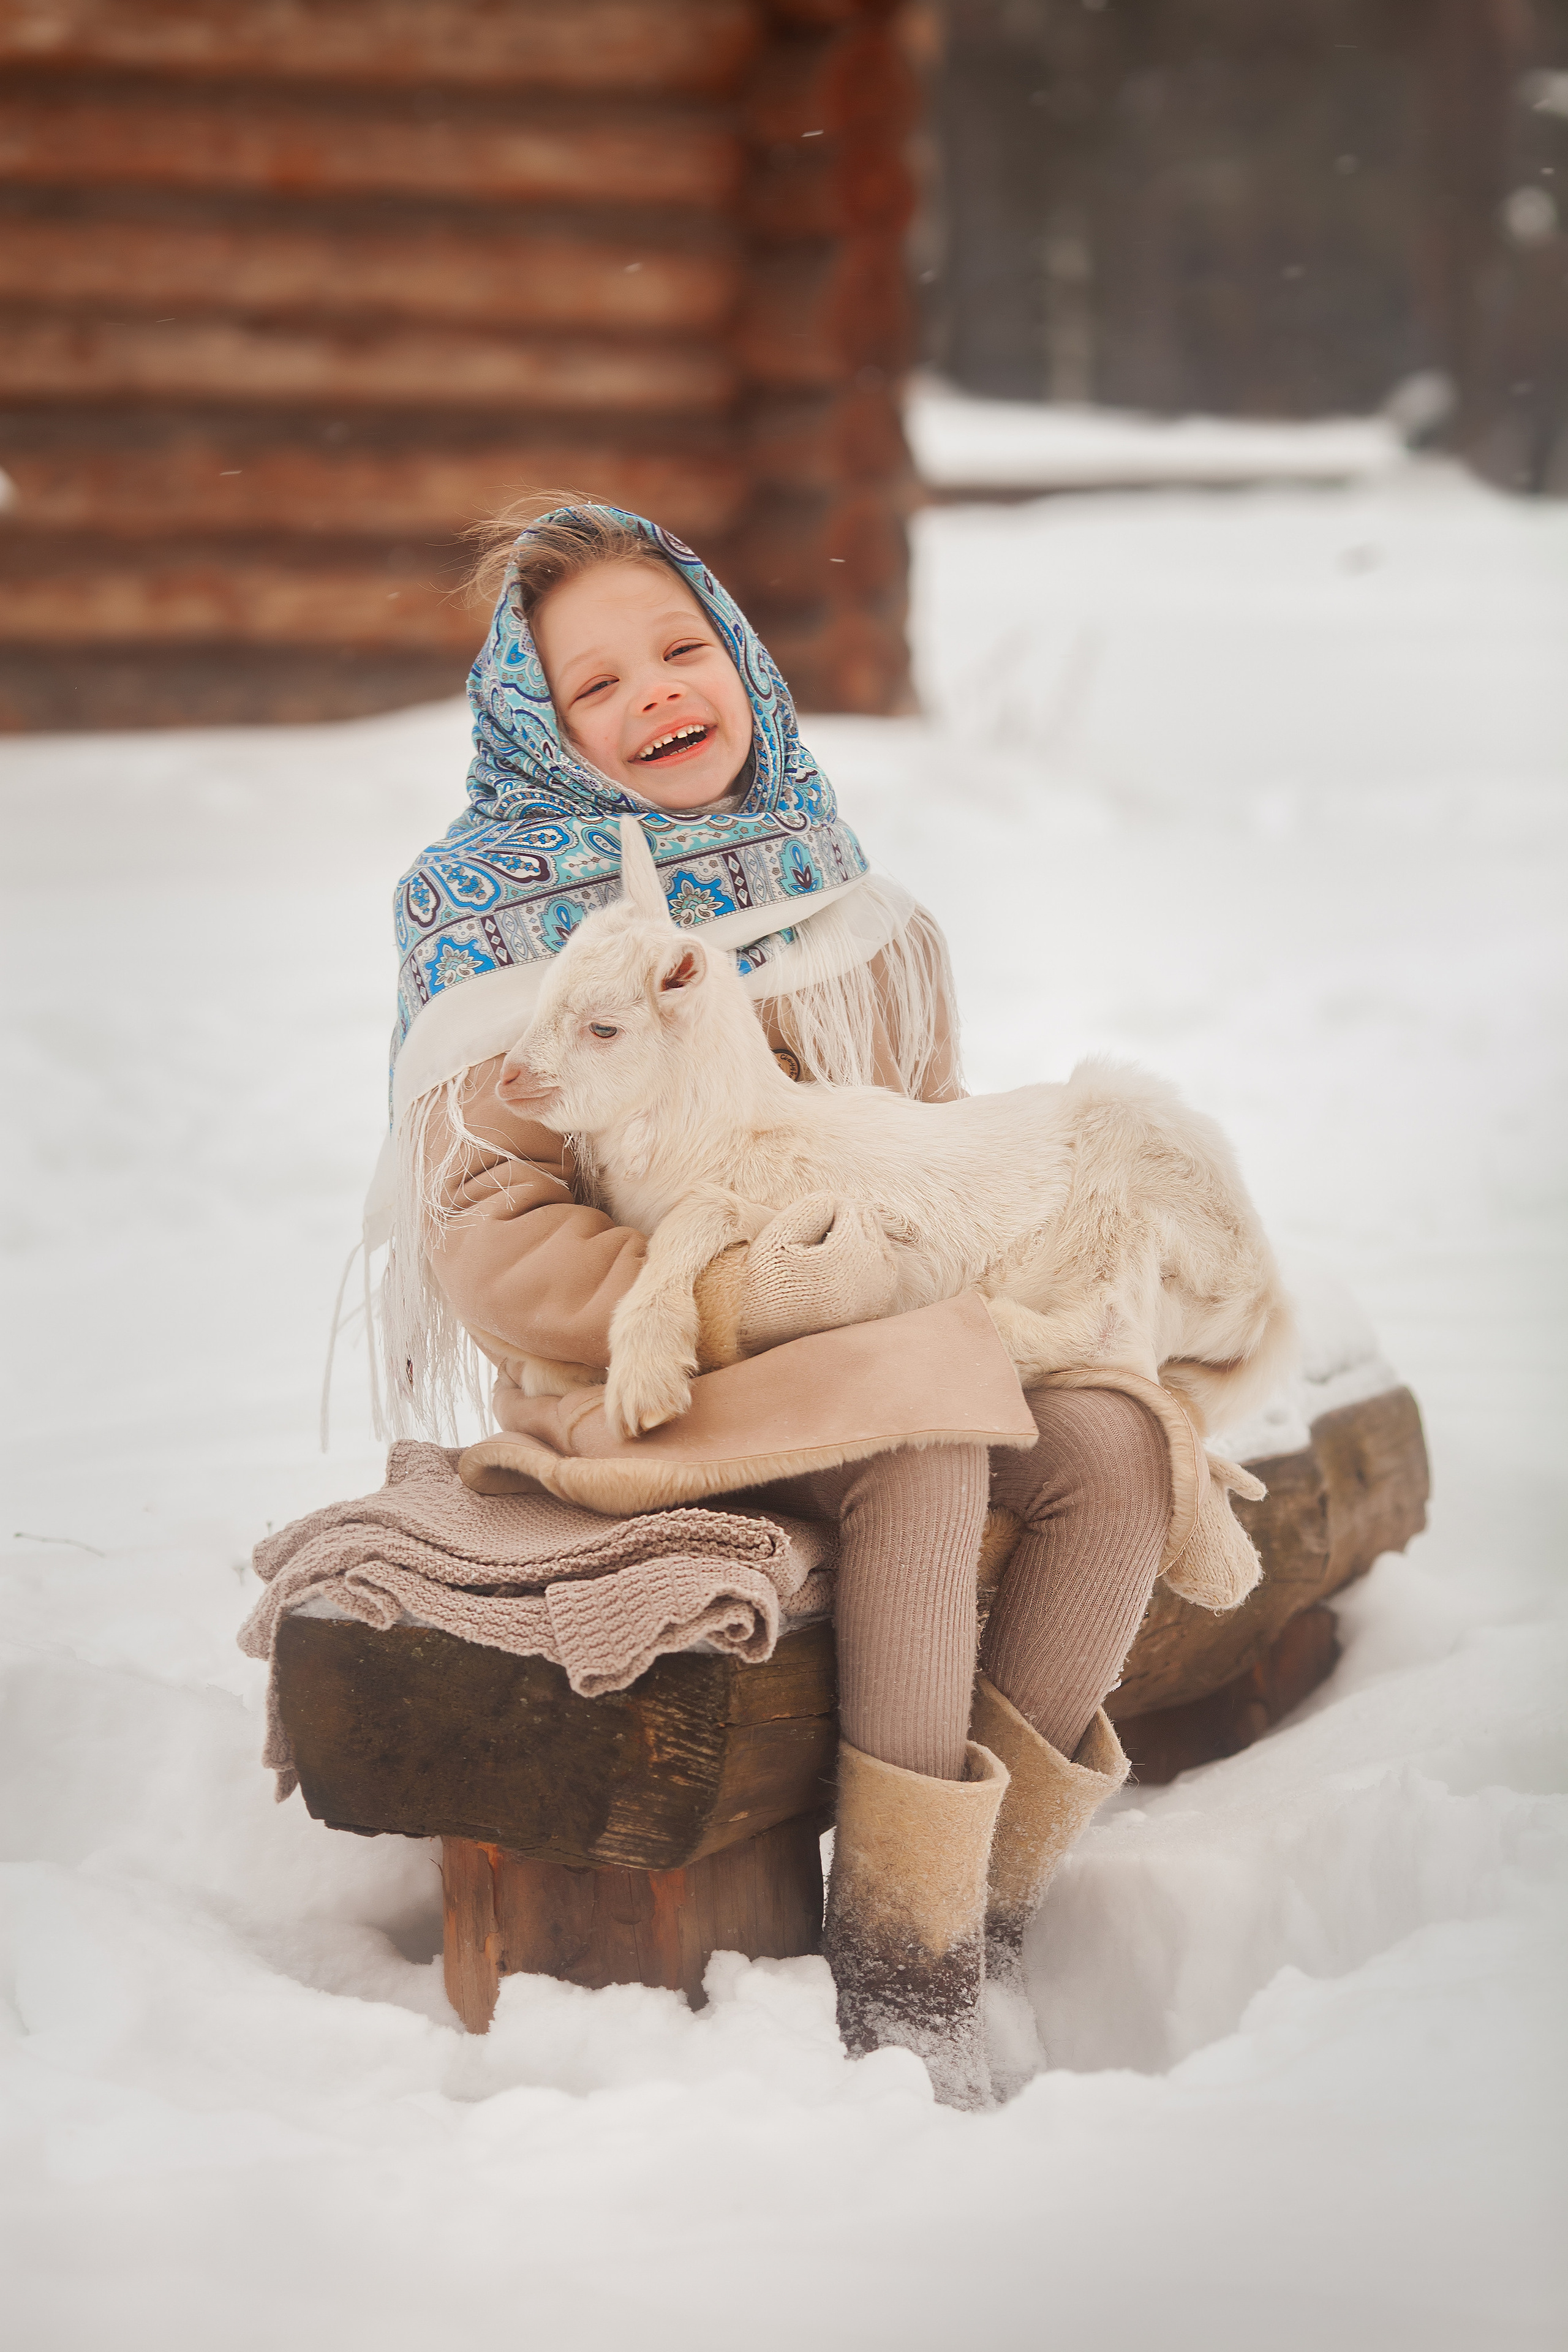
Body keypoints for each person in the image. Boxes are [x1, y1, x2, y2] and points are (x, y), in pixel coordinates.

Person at [377, 503, 1208, 2109]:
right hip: (651, 1366)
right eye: (595, 685)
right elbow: (490, 1236)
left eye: (682, 648)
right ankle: (904, 1981)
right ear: (537, 733)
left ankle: (982, 1898)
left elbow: (931, 1126)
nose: (657, 693)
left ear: (741, 657)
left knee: (1113, 1444)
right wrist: (755, 1295)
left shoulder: (848, 899)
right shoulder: (493, 929)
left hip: (892, 1323)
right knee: (922, 1442)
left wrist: (982, 1265)